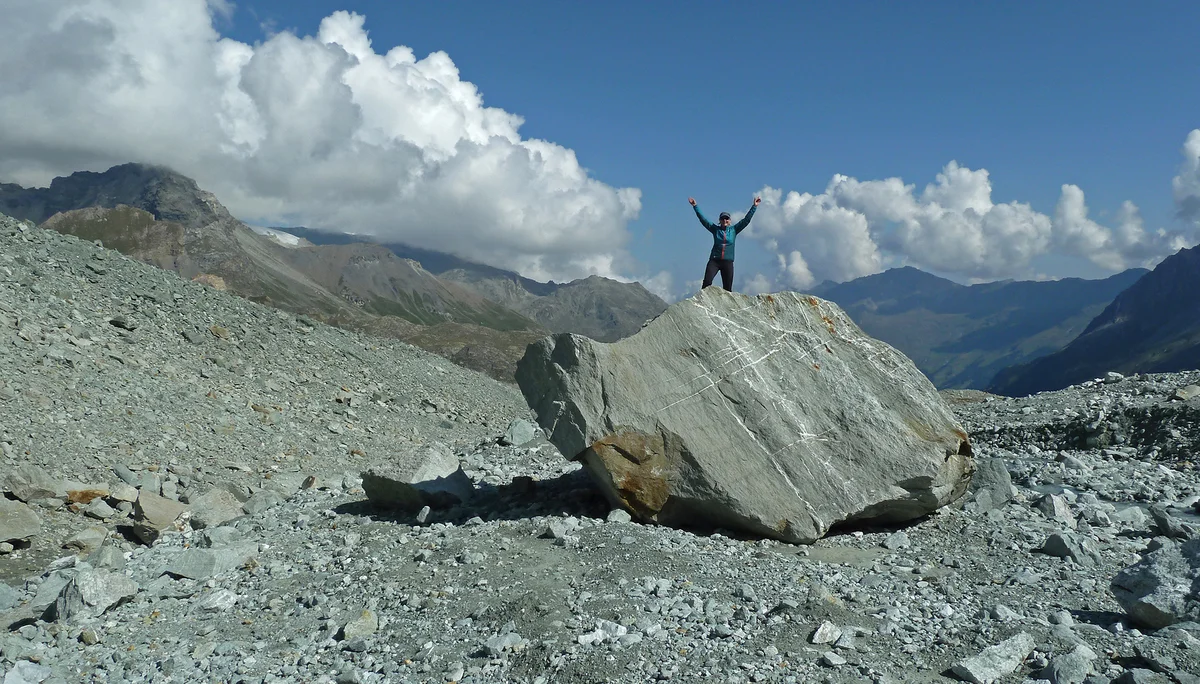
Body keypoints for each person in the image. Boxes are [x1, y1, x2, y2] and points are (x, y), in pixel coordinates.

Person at [689, 196, 760, 291]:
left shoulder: (734, 230)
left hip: (728, 262)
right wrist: (695, 206)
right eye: (722, 219)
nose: (724, 220)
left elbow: (746, 220)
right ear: (719, 221)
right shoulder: (715, 229)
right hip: (714, 261)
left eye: (727, 219)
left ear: (730, 221)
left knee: (727, 288)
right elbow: (703, 220)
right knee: (707, 282)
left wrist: (754, 206)